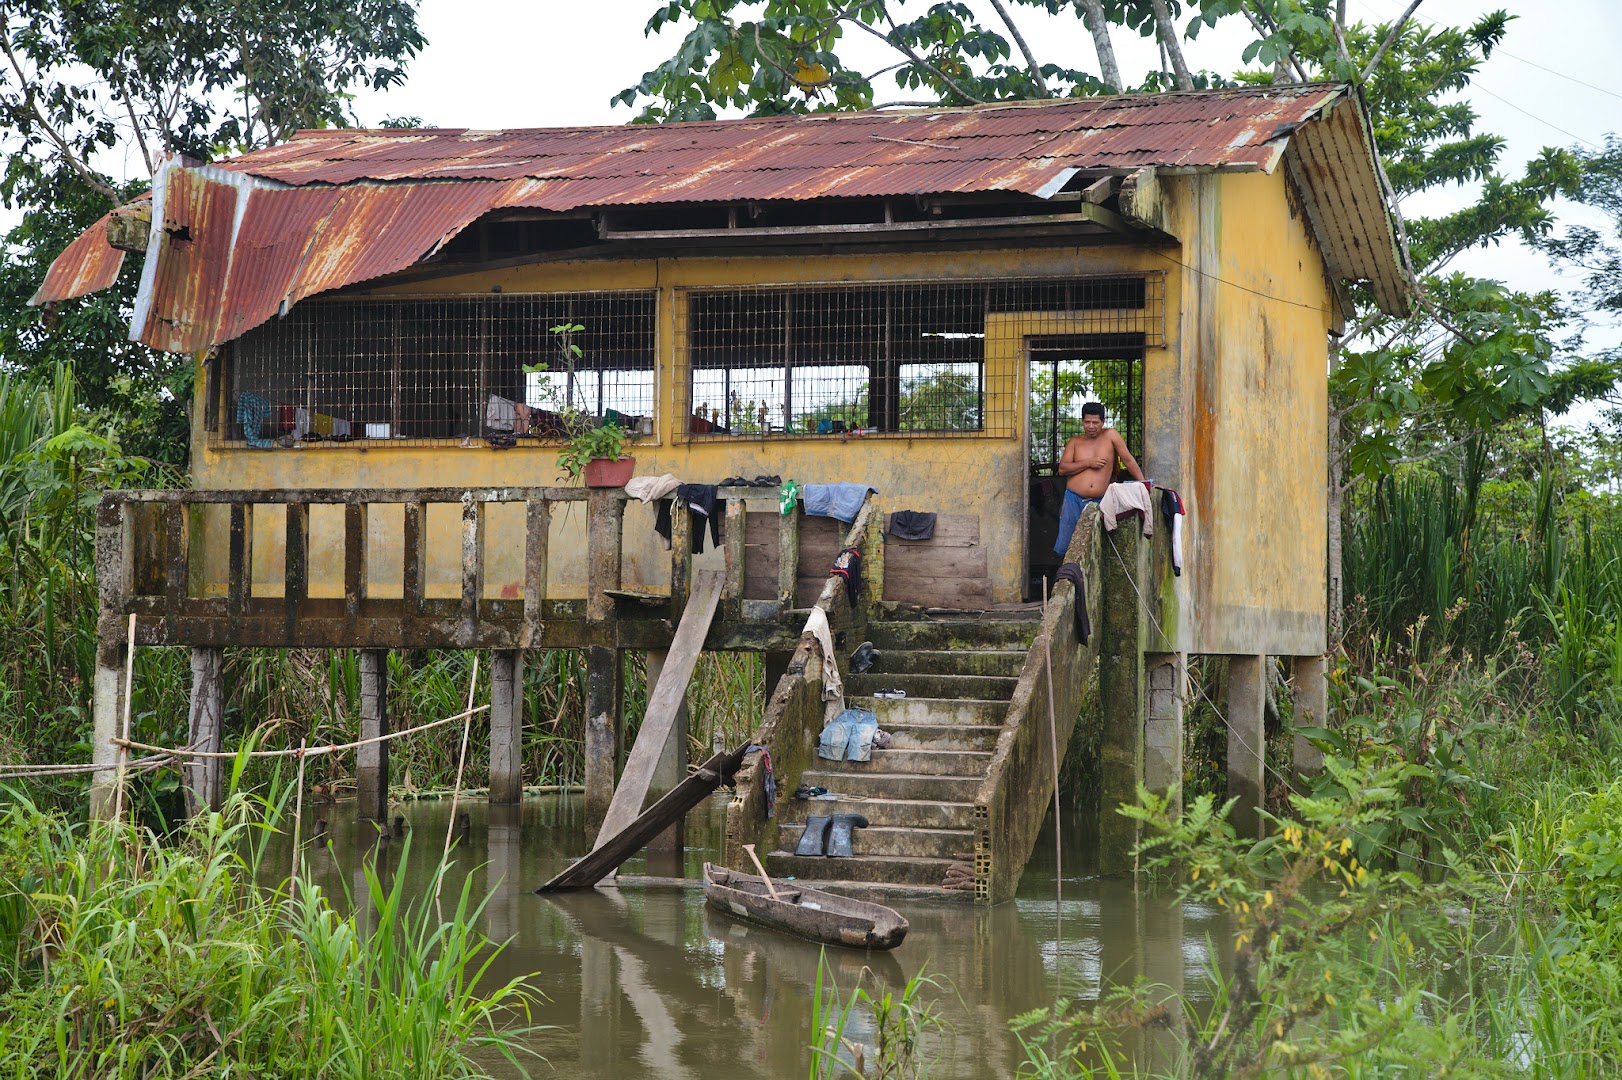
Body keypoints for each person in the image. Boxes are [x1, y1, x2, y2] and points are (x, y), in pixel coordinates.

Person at [1053, 402, 1145, 556]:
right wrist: (1089, 462)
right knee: (1067, 546)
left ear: (1103, 422)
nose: (1091, 426)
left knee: (1099, 546)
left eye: (1095, 422)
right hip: (1073, 499)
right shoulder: (1075, 442)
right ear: (1082, 422)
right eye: (1087, 422)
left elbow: (1128, 460)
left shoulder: (1110, 435)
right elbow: (1063, 469)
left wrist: (1143, 484)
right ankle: (1066, 576)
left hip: (1101, 500)